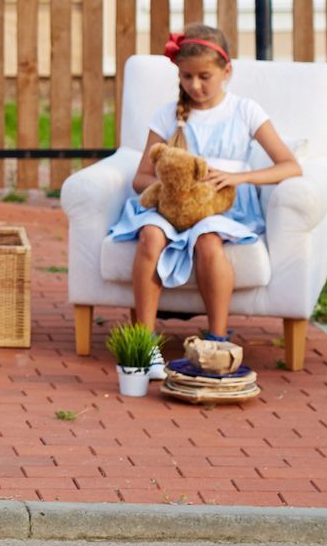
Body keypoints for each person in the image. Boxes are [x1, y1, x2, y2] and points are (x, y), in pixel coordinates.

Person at [107, 23, 300, 378]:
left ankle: (217, 341)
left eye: (204, 76)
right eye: (186, 77)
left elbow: (290, 166)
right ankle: (144, 345)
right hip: (174, 206)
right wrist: (173, 192)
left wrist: (239, 178)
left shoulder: (245, 111)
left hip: (225, 205)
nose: (194, 86)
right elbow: (140, 178)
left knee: (209, 240)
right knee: (150, 235)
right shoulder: (167, 115)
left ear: (227, 72)